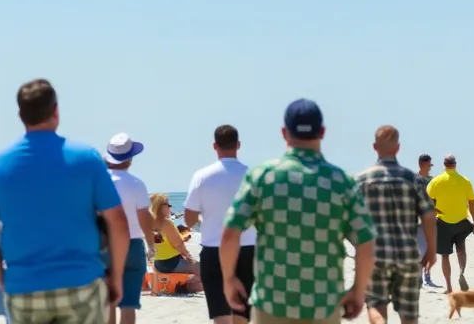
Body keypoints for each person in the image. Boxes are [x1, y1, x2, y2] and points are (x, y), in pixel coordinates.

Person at [0, 78, 129, 324]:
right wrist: (117, 276)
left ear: (21, 115)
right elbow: (118, 222)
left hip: (24, 286)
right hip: (82, 283)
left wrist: (4, 280)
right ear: (56, 111)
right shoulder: (87, 158)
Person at [221, 99, 376, 324]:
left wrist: (229, 279)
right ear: (322, 132)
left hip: (272, 304)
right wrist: (358, 290)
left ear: (284, 133)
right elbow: (366, 244)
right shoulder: (341, 181)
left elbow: (230, 232)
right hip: (323, 306)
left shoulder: (262, 176)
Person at [355, 126, 436, 324]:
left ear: (374, 147)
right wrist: (431, 251)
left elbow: (352, 220)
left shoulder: (361, 180)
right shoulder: (413, 180)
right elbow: (428, 216)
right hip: (407, 254)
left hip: (375, 254)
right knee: (409, 314)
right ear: (398, 148)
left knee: (375, 306)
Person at [183, 125, 256, 324]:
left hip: (214, 250)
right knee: (242, 315)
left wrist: (204, 217)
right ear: (238, 145)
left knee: (221, 316)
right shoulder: (253, 176)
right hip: (247, 249)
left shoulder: (202, 176)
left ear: (215, 146)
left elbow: (188, 220)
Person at [105, 133, 157, 324]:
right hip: (133, 244)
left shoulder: (99, 182)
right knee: (129, 304)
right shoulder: (136, 184)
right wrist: (151, 243)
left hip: (106, 245)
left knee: (108, 302)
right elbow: (145, 217)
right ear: (130, 159)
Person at [425, 155, 474, 293]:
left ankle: (449, 287)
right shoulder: (465, 181)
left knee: (445, 255)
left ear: (444, 165)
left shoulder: (436, 181)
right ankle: (461, 272)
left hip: (442, 222)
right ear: (455, 164)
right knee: (461, 248)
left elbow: (427, 201)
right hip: (461, 221)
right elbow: (472, 203)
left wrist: (435, 211)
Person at [148, 193, 202, 292]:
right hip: (172, 263)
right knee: (204, 270)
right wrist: (190, 258)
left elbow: (161, 243)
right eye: (168, 205)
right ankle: (185, 287)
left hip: (158, 264)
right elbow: (178, 245)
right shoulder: (166, 223)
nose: (170, 207)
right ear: (161, 207)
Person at [415, 155, 437, 289]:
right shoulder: (412, 180)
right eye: (428, 165)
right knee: (421, 250)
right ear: (421, 164)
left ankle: (427, 277)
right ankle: (420, 278)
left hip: (430, 218)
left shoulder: (432, 181)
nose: (429, 168)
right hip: (416, 219)